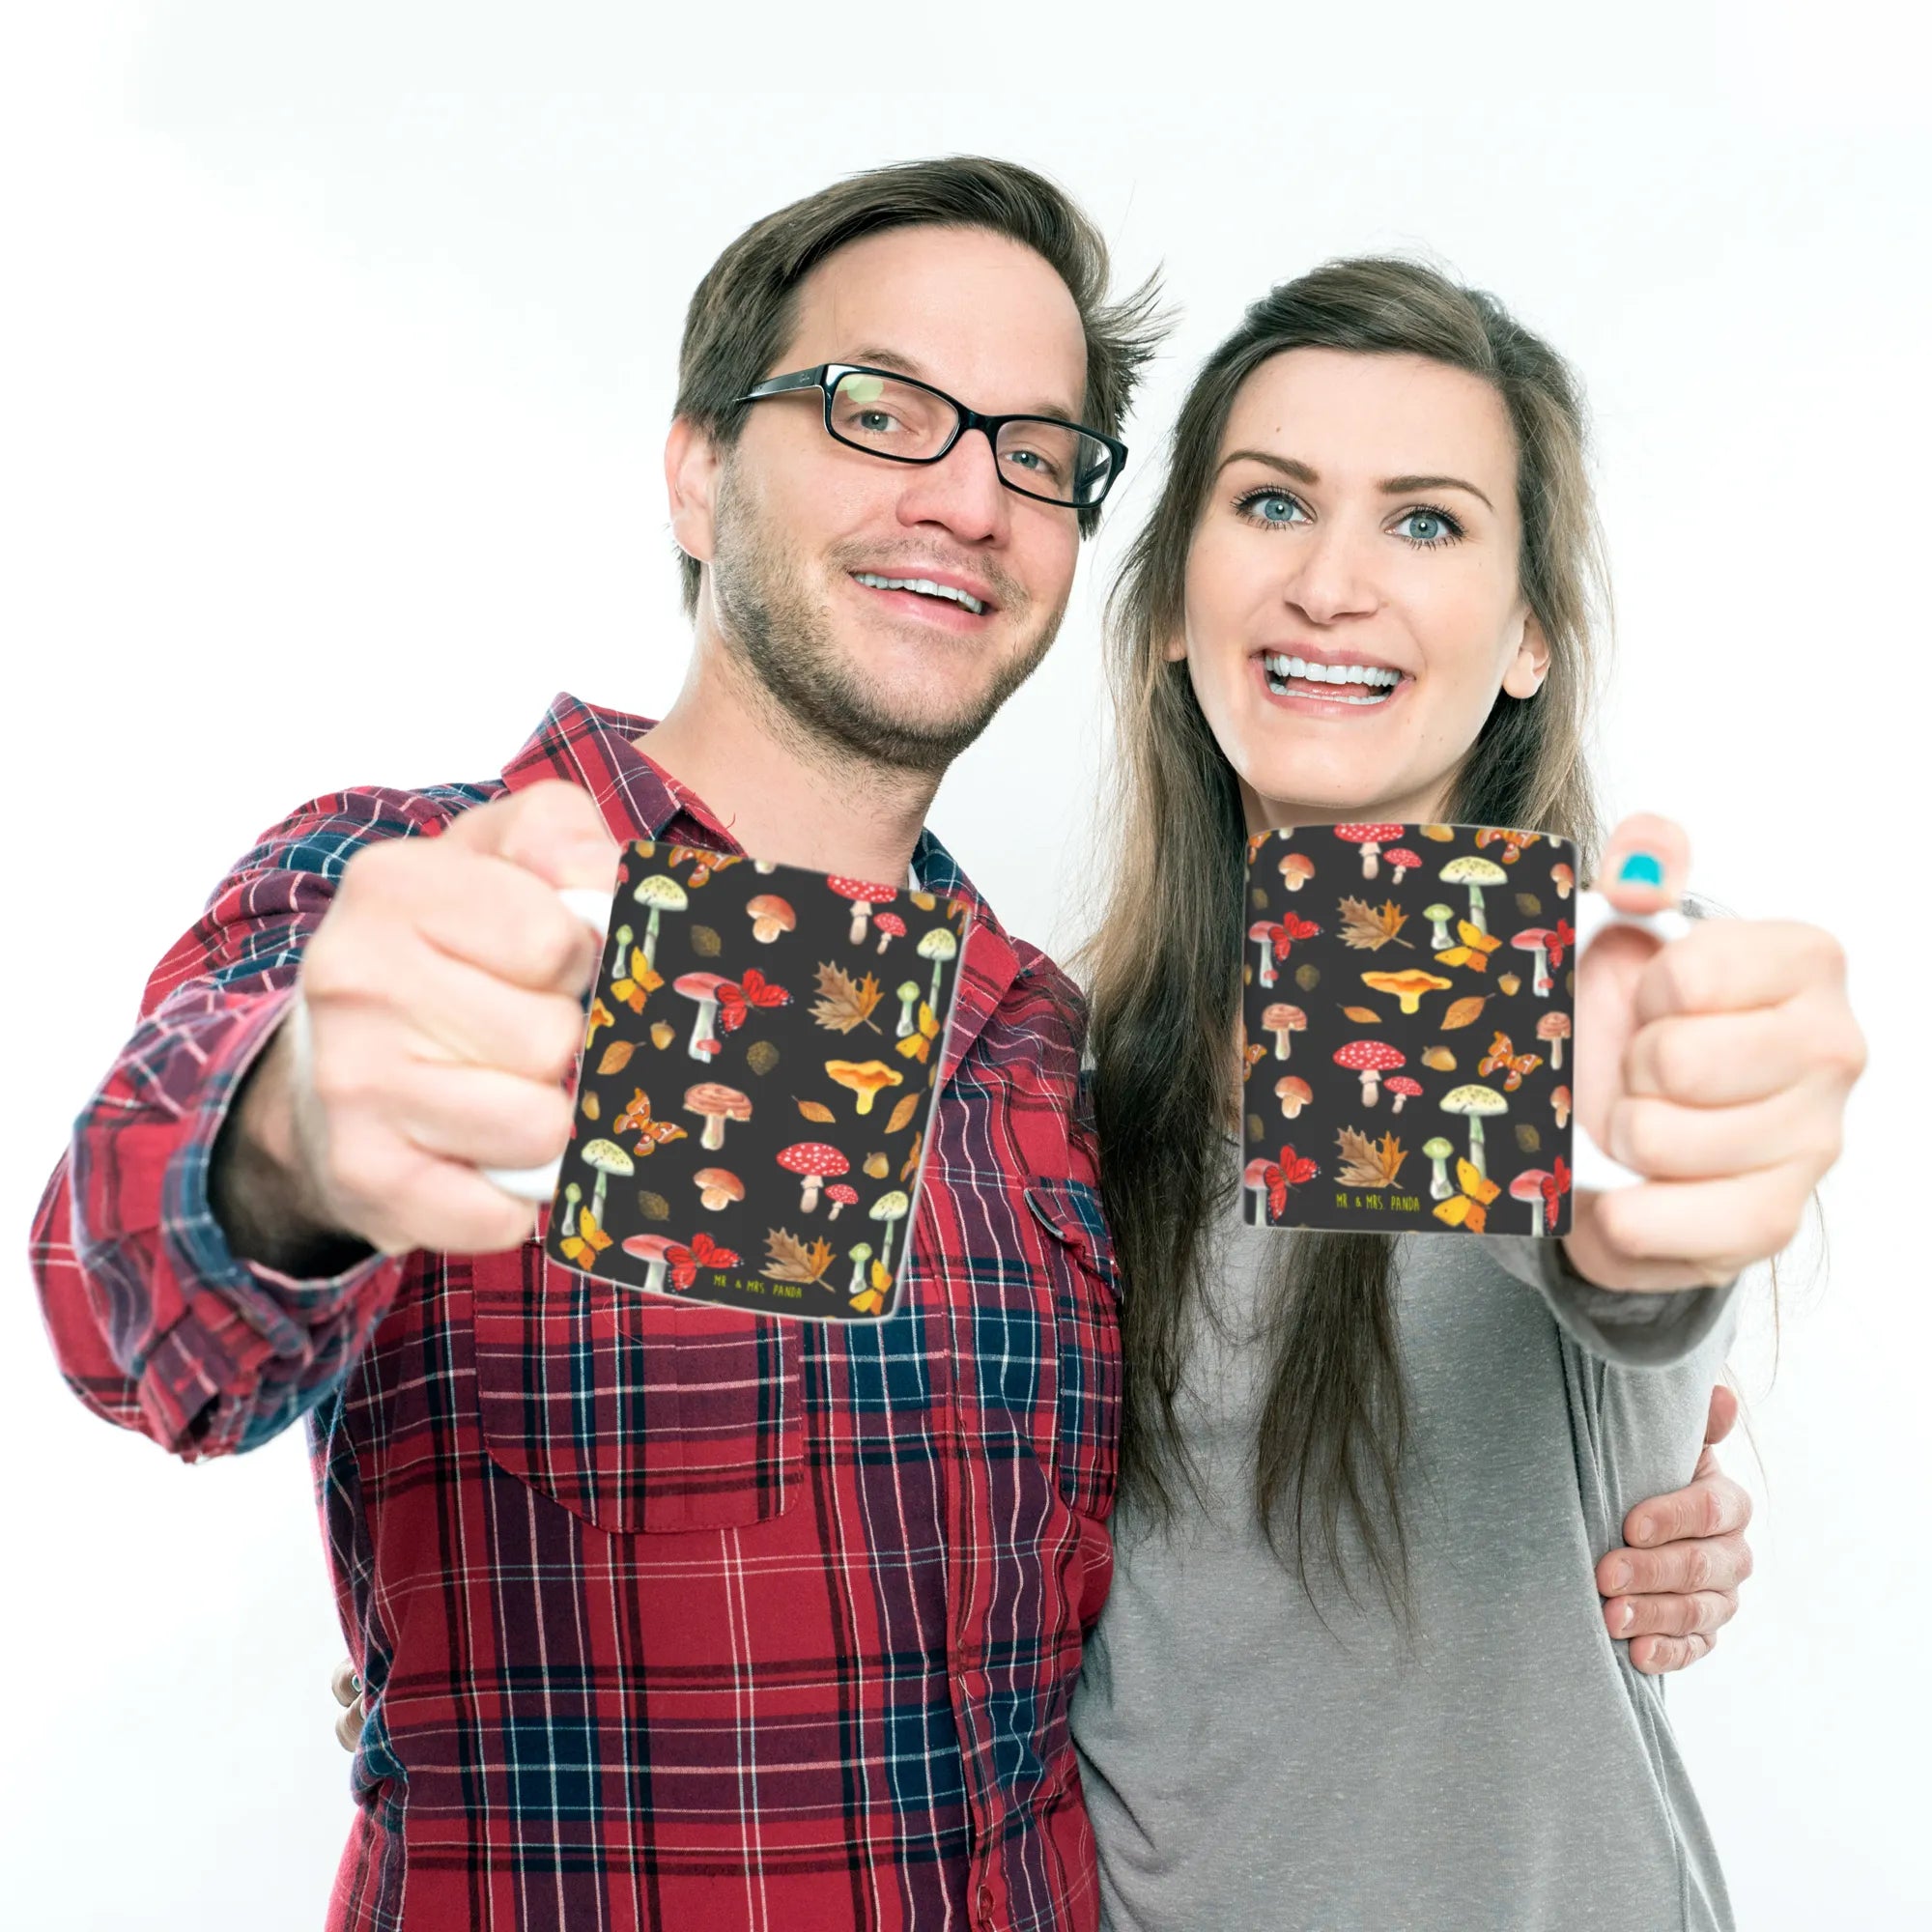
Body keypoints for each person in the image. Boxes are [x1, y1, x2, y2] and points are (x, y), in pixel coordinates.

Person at [35, 158, 1760, 1931]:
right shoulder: (434, 894)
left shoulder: (1043, 1048)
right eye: (881, 409)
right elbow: (125, 1291)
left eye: (1035, 451)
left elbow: (1617, 1218)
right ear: (698, 467)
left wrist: (1651, 1353)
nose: (966, 496)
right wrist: (296, 1141)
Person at [1071, 258, 1866, 1929]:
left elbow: (1624, 1238)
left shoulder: (1579, 985)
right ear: (1170, 605)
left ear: (1527, 638)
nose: (1332, 583)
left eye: (1426, 522)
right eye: (1272, 503)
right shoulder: (1064, 1070)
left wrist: (1669, 1179)